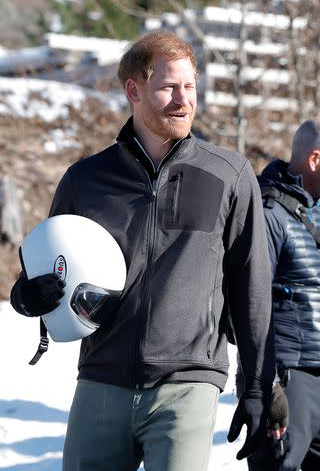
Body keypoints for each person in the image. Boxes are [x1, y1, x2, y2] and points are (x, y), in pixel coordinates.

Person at [10, 31, 275, 471]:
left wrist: (259, 386)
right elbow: (45, 265)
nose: (183, 100)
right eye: (169, 87)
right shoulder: (86, 180)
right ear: (133, 90)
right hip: (101, 379)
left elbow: (253, 286)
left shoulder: (229, 175)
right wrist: (27, 296)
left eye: (190, 86)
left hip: (187, 383)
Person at [239, 119, 320, 470]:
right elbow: (246, 307)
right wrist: (266, 388)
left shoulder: (314, 210)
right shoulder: (268, 213)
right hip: (289, 380)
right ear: (315, 159)